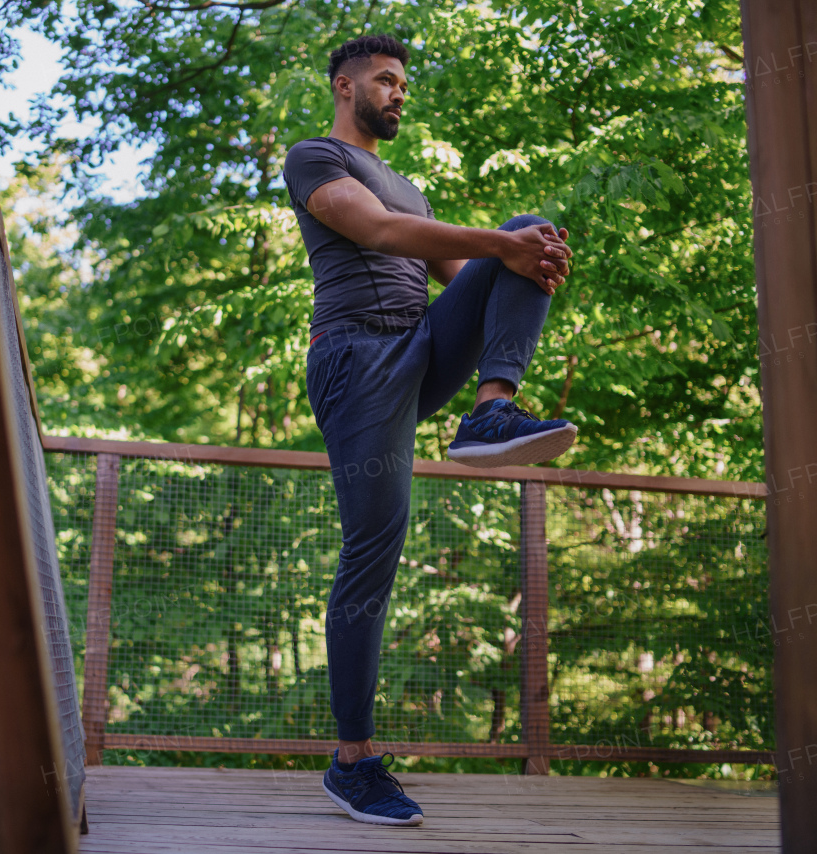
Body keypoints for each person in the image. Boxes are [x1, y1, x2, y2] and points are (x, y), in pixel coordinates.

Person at [282, 33, 578, 827]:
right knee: (372, 552)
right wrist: (500, 248)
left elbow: (467, 279)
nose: (399, 91)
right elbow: (377, 234)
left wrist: (528, 261)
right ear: (346, 87)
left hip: (418, 350)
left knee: (530, 229)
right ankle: (352, 763)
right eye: (386, 79)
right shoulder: (315, 158)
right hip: (356, 360)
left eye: (404, 81)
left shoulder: (408, 185)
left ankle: (491, 411)